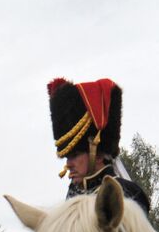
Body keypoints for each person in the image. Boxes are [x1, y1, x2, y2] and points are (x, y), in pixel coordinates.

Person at [46, 78, 151, 213]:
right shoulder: (72, 196)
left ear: (98, 155)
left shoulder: (126, 194)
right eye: (67, 157)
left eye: (75, 155)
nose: (69, 164)